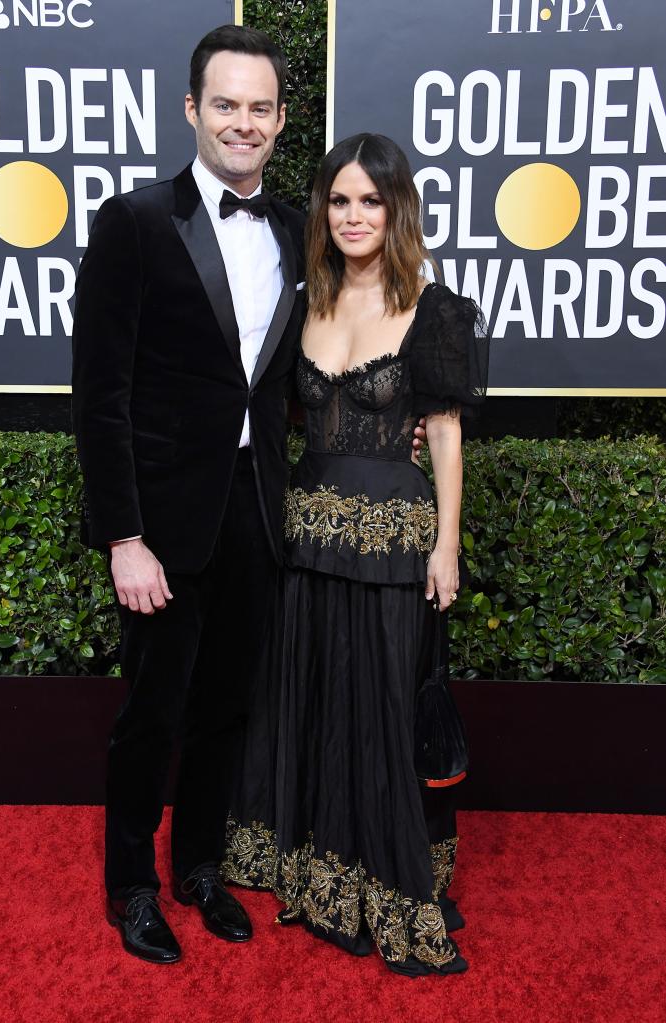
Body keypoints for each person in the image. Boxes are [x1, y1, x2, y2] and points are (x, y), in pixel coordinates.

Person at [222, 133, 489, 976]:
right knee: (308, 699)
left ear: (395, 208)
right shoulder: (303, 300)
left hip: (392, 545)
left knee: (378, 706)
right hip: (304, 538)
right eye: (338, 200)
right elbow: (282, 413)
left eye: (369, 200)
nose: (352, 215)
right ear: (322, 209)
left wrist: (446, 543)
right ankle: (314, 864)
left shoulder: (433, 306)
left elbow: (442, 433)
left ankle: (384, 874)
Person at [71, 25, 307, 964]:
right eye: (224, 104)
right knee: (151, 712)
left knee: (225, 708)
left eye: (259, 108)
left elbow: (300, 371)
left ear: (280, 120)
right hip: (163, 524)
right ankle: (131, 883)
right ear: (191, 110)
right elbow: (101, 395)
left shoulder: (293, 226)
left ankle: (198, 867)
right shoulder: (132, 221)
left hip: (256, 507)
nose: (241, 123)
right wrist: (123, 535)